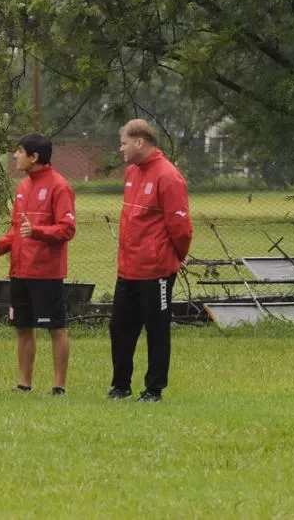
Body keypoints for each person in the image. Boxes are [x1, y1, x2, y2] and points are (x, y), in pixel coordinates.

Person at [0, 133, 76, 395]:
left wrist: (38, 232)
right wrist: (1, 245)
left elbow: (67, 229)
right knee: (23, 328)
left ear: (34, 157)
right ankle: (23, 384)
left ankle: (58, 387)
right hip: (20, 271)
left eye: (19, 151)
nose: (15, 156)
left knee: (56, 327)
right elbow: (17, 231)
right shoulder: (22, 187)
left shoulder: (59, 186)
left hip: (46, 272)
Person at [109, 119, 192, 402]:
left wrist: (172, 258)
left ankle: (154, 388)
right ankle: (120, 386)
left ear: (139, 142)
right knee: (120, 327)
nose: (120, 149)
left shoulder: (168, 176)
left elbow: (180, 228)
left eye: (123, 143)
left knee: (156, 328)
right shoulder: (132, 173)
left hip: (156, 270)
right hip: (128, 267)